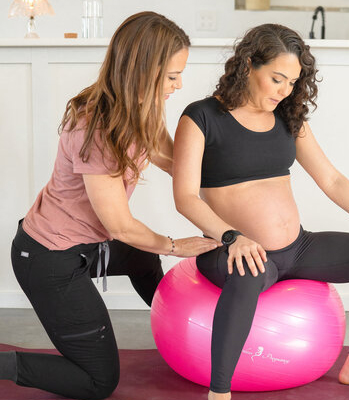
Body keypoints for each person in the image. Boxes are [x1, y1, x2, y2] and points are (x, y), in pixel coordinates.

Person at [173, 23, 349, 400]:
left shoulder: (289, 117)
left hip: (298, 248)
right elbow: (185, 197)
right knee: (247, 272)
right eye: (277, 79)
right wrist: (232, 238)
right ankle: (219, 393)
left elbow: (331, 180)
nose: (285, 91)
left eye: (292, 82)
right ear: (248, 65)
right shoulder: (201, 117)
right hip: (234, 250)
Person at [0, 11, 218, 400]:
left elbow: (172, 161)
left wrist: (234, 183)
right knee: (98, 382)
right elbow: (120, 225)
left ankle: (182, 333)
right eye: (171, 76)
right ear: (141, 70)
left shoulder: (142, 105)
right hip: (49, 259)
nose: (178, 85)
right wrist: (174, 245)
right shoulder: (97, 126)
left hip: (84, 245)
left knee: (140, 258)